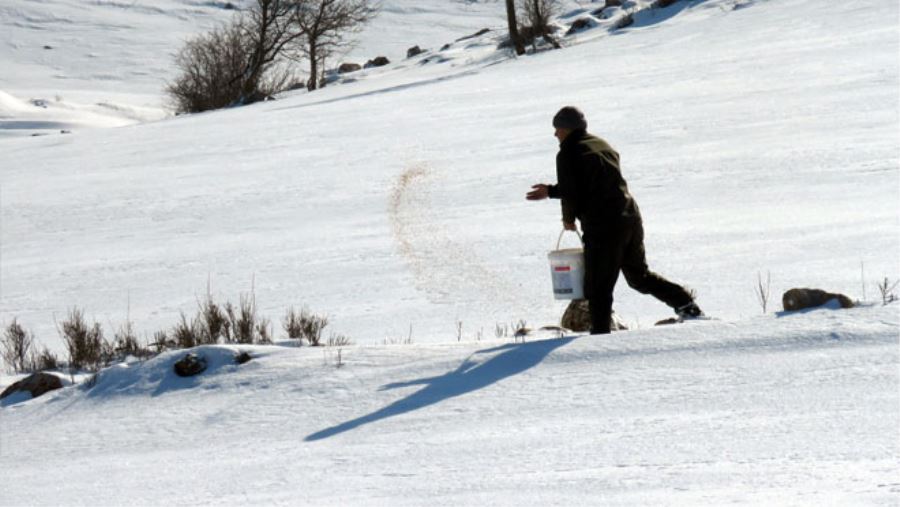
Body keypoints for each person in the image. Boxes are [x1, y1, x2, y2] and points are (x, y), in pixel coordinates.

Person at [526, 106, 703, 334]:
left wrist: (568, 219)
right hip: (629, 216)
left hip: (603, 224)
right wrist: (550, 191)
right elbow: (592, 183)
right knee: (639, 276)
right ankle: (686, 305)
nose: (555, 134)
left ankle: (600, 338)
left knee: (597, 286)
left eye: (557, 129)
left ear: (567, 128)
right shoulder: (602, 145)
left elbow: (572, 191)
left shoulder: (569, 152)